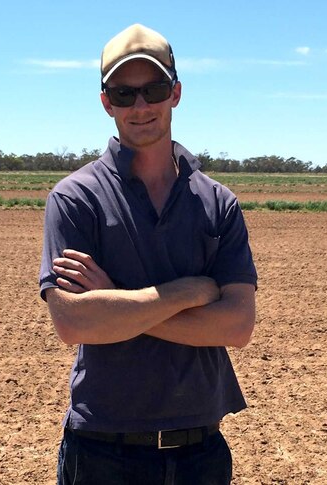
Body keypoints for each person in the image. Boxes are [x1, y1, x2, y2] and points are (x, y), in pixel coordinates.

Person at [38, 23, 258, 484]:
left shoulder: (218, 202)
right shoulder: (76, 198)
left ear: (175, 93)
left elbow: (237, 326)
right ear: (106, 102)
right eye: (124, 94)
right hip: (102, 449)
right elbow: (74, 322)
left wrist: (116, 300)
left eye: (153, 89)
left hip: (201, 451)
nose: (140, 106)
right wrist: (188, 292)